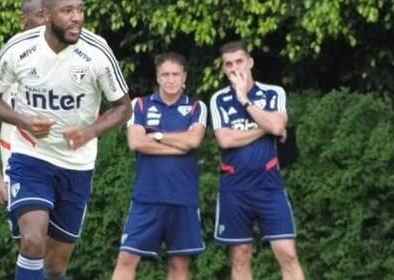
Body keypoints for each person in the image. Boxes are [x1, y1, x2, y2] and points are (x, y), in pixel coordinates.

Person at [0, 0, 132, 280]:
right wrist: (23, 123)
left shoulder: (97, 51)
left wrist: (89, 132)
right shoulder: (18, 49)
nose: (77, 17)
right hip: (30, 157)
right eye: (67, 11)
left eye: (80, 9)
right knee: (32, 240)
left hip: (77, 164)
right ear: (47, 15)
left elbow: (123, 107)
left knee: (54, 266)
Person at [209, 41, 304, 280]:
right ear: (223, 68)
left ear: (250, 62)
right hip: (235, 186)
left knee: (287, 253)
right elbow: (225, 140)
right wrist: (267, 127)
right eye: (228, 64)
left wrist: (244, 100)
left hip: (269, 184)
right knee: (240, 254)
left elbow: (278, 124)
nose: (234, 68)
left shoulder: (273, 93)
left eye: (239, 61)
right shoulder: (218, 99)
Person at [112, 52, 207, 280]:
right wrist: (179, 143)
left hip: (183, 197)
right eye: (165, 74)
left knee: (178, 264)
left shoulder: (196, 107)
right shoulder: (140, 105)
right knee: (127, 258)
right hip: (147, 197)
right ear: (158, 77)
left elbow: (193, 141)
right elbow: (136, 142)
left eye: (175, 74)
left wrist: (155, 136)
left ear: (184, 77)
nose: (171, 79)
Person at [0, 0, 44, 240]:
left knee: (56, 255)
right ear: (23, 18)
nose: (46, 21)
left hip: (60, 167)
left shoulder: (69, 59)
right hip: (18, 166)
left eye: (49, 15)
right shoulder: (7, 59)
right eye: (39, 15)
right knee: (30, 241)